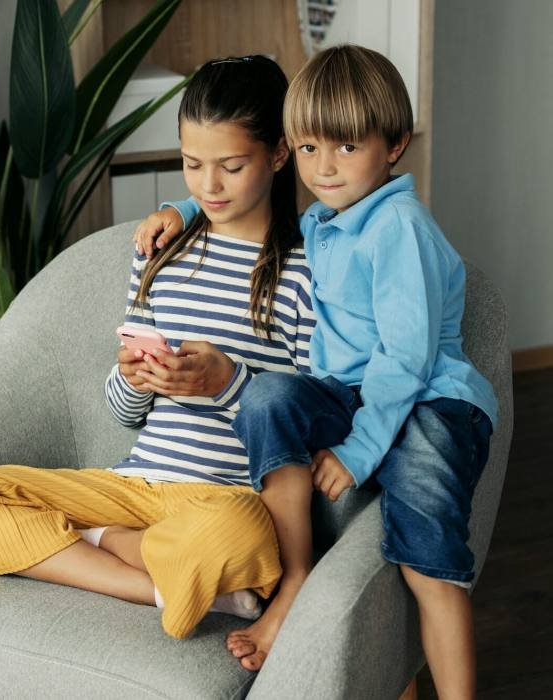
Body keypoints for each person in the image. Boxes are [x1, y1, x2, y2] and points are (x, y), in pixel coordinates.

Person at [0, 55, 318, 643]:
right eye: (192, 164)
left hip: (223, 502)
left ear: (278, 154)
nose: (208, 186)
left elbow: (313, 418)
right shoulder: (161, 252)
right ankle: (153, 582)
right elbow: (123, 413)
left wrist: (227, 385)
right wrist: (133, 378)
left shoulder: (305, 274)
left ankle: (90, 547)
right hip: (131, 487)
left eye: (231, 166)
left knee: (237, 538)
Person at [134, 44, 498, 694]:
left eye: (345, 148)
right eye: (308, 149)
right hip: (355, 394)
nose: (324, 168)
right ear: (288, 151)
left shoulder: (398, 228)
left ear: (394, 145)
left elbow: (406, 359)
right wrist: (181, 211)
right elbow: (237, 197)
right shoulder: (327, 221)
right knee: (270, 398)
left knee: (426, 568)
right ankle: (295, 577)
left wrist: (358, 452)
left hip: (429, 404)